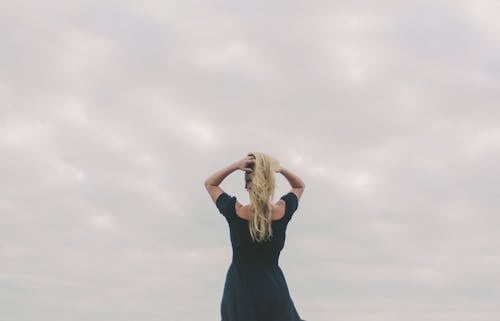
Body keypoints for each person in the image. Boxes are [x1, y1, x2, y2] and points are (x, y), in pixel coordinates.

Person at [204, 152, 306, 321]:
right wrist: (279, 169)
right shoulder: (282, 211)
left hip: (240, 292)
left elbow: (210, 184)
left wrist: (236, 165)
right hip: (273, 291)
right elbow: (299, 186)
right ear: (270, 184)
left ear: (247, 186)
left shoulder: (235, 211)